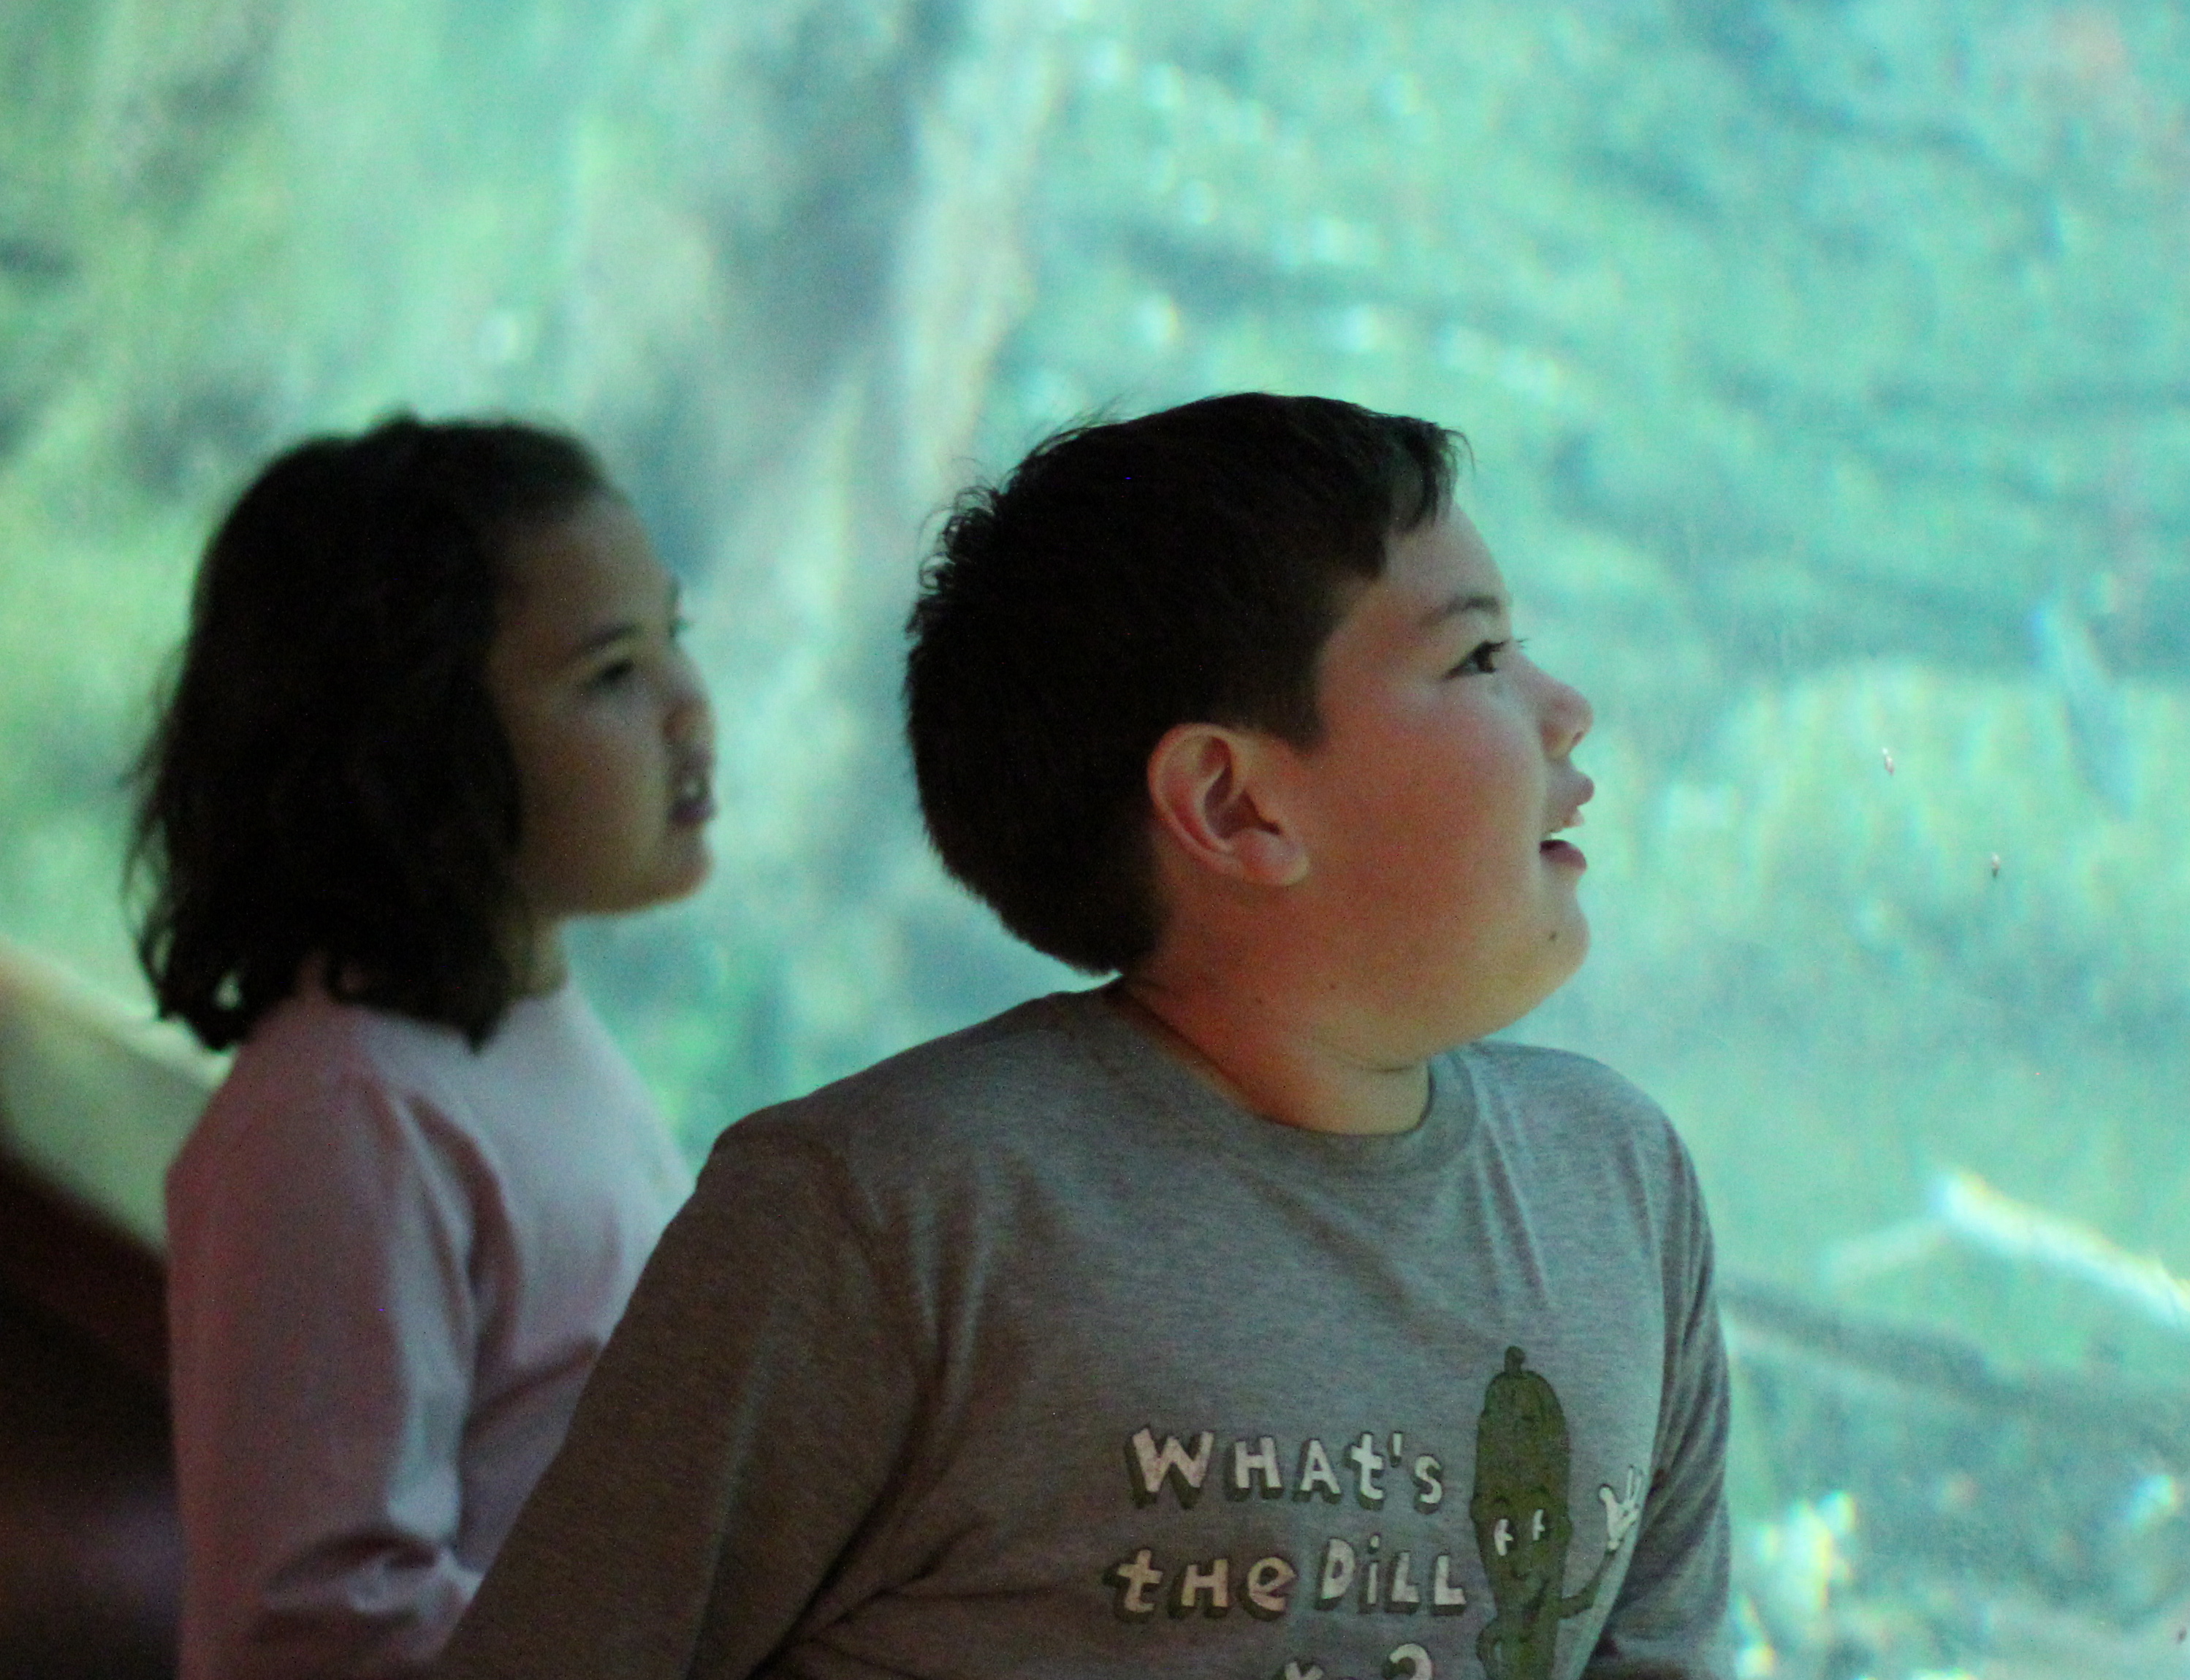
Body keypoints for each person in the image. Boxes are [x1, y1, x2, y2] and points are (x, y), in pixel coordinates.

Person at [437, 392, 1730, 1679]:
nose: (1565, 707)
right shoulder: (883, 1223)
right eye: (1478, 658)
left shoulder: (1620, 1187)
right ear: (1232, 805)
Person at [134, 417, 716, 1680]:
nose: (688, 706)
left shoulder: (522, 1031)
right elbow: (313, 1622)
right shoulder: (347, 1112)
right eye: (612, 672)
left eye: (675, 637)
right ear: (417, 746)